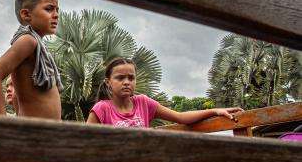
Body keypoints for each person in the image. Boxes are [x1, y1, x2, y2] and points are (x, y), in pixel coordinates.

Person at [87, 57, 243, 128]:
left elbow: (180, 117)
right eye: (120, 78)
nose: (127, 82)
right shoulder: (102, 109)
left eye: (131, 77)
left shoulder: (143, 103)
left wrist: (215, 110)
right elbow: (85, 143)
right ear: (108, 81)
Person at [0, 0, 62, 120]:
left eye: (57, 10)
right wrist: (2, 125)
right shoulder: (28, 40)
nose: (56, 15)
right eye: (49, 9)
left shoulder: (36, 44)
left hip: (45, 133)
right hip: (33, 133)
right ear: (26, 14)